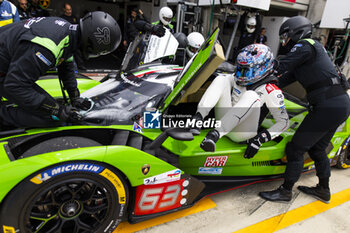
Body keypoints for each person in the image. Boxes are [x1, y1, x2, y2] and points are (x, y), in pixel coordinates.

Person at [259, 16, 350, 204]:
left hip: (328, 106)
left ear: (295, 32)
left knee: (296, 148)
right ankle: (323, 190)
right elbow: (279, 79)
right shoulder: (307, 58)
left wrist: (255, 63)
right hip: (339, 105)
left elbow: (279, 65)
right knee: (317, 149)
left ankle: (285, 191)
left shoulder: (306, 45)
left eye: (286, 37)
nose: (285, 42)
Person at [0, 11, 122, 129]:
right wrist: (57, 110)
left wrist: (75, 97)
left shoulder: (67, 32)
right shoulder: (47, 47)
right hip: (7, 75)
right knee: (51, 117)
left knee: (50, 109)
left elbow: (67, 68)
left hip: (6, 67)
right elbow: (15, 85)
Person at [195, 44, 289, 156]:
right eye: (239, 69)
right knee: (221, 79)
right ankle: (197, 119)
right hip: (223, 122)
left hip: (242, 133)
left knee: (251, 95)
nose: (241, 74)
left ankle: (214, 135)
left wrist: (259, 140)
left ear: (261, 69)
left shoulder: (271, 90)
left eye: (246, 70)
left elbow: (284, 122)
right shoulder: (236, 77)